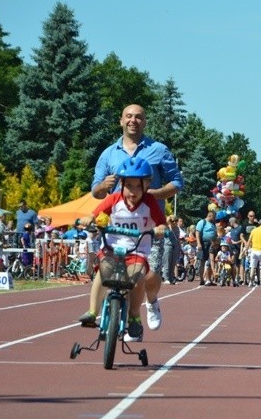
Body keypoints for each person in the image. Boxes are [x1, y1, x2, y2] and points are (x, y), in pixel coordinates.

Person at [91, 103, 183, 332]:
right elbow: (95, 190)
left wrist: (154, 193)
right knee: (109, 271)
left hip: (148, 224)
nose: (133, 120)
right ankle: (112, 313)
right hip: (116, 225)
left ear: (145, 122)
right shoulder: (109, 153)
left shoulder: (159, 150)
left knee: (149, 276)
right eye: (129, 116)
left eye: (139, 117)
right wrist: (103, 186)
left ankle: (151, 302)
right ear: (121, 121)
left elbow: (177, 183)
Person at [78, 157, 167, 342]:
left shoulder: (149, 203)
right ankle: (93, 311)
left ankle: (134, 316)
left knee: (137, 276)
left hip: (136, 251)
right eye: (128, 186)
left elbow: (162, 224)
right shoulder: (114, 199)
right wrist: (89, 219)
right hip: (111, 248)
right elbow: (94, 214)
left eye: (137, 186)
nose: (132, 192)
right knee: (104, 272)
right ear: (121, 184)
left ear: (147, 185)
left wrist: (160, 229)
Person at [196, 209, 218, 286]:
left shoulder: (213, 224)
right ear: (210, 215)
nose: (215, 218)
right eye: (214, 217)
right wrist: (199, 243)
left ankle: (209, 279)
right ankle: (202, 279)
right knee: (202, 261)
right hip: (203, 243)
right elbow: (197, 232)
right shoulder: (202, 222)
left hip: (212, 244)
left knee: (211, 261)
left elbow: (215, 234)